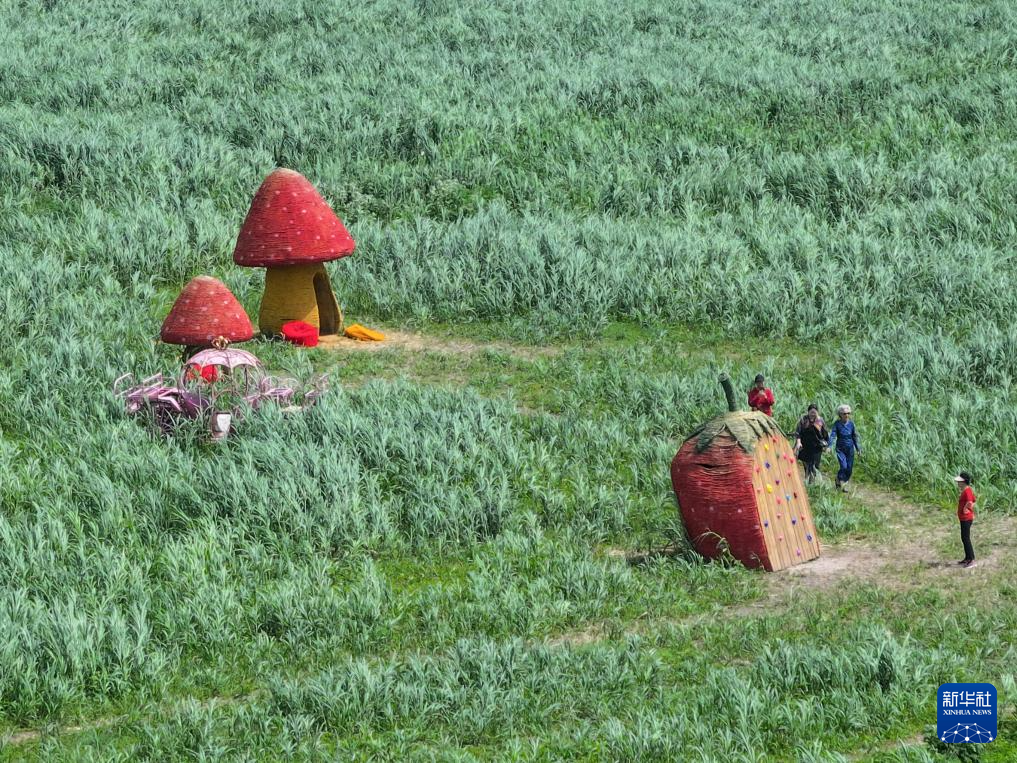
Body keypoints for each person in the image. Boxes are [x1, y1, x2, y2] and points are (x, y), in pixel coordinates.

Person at [828, 404, 861, 490]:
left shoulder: (851, 424)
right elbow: (833, 435)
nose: (846, 415)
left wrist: (858, 449)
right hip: (840, 448)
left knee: (849, 469)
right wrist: (829, 446)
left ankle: (843, 482)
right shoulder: (837, 424)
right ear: (840, 414)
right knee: (844, 466)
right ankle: (840, 480)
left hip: (850, 448)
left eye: (848, 413)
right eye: (844, 413)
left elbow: (854, 437)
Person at [794, 404, 829, 483]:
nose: (813, 414)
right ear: (808, 412)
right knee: (806, 464)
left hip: (817, 446)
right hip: (805, 445)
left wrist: (826, 445)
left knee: (814, 466)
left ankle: (811, 482)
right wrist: (798, 442)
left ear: (817, 412)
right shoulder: (803, 419)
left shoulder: (820, 421)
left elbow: (825, 433)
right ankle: (807, 480)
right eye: (811, 412)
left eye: (814, 412)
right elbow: (798, 432)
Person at [954, 472, 976, 568]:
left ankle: (971, 560)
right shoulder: (966, 490)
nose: (958, 483)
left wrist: (965, 509)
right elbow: (974, 500)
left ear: (964, 482)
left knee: (966, 538)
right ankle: (967, 558)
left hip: (966, 518)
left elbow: (970, 502)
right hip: (964, 518)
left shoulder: (967, 491)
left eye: (959, 481)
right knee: (964, 538)